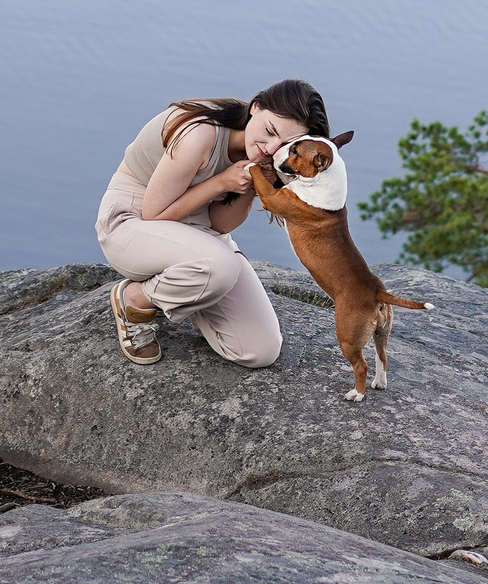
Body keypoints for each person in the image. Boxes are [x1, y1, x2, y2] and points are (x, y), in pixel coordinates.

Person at [101, 79, 330, 369]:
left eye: (285, 144)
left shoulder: (270, 160)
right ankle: (135, 299)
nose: (270, 148)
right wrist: (222, 181)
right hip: (131, 223)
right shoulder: (200, 133)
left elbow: (220, 225)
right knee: (219, 267)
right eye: (270, 131)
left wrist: (252, 185)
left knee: (260, 350)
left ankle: (194, 296)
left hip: (196, 235)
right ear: (256, 107)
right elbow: (154, 214)